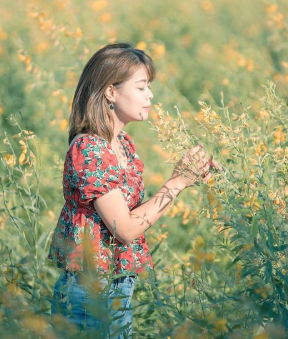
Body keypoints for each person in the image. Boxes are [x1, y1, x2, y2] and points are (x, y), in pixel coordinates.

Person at [48, 43, 219, 338]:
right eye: (141, 87)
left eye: (149, 86)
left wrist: (187, 176)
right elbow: (124, 228)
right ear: (111, 92)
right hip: (89, 292)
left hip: (117, 283)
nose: (150, 95)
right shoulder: (89, 149)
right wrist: (177, 182)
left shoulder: (123, 144)